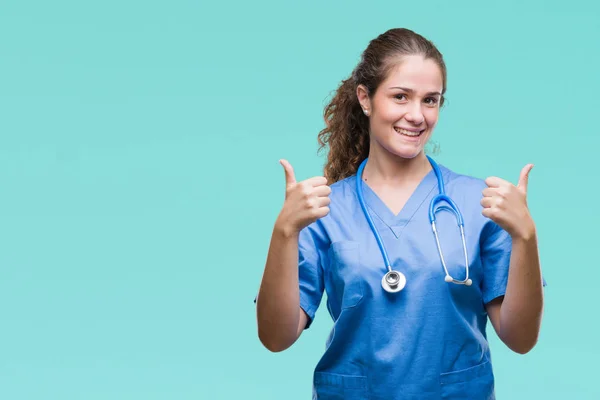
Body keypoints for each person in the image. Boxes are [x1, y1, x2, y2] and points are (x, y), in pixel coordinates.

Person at [255, 28, 545, 400]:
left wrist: (526, 238)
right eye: (400, 97)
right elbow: (275, 338)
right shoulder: (324, 210)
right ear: (365, 99)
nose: (417, 115)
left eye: (430, 100)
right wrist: (283, 232)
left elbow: (521, 340)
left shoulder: (481, 204)